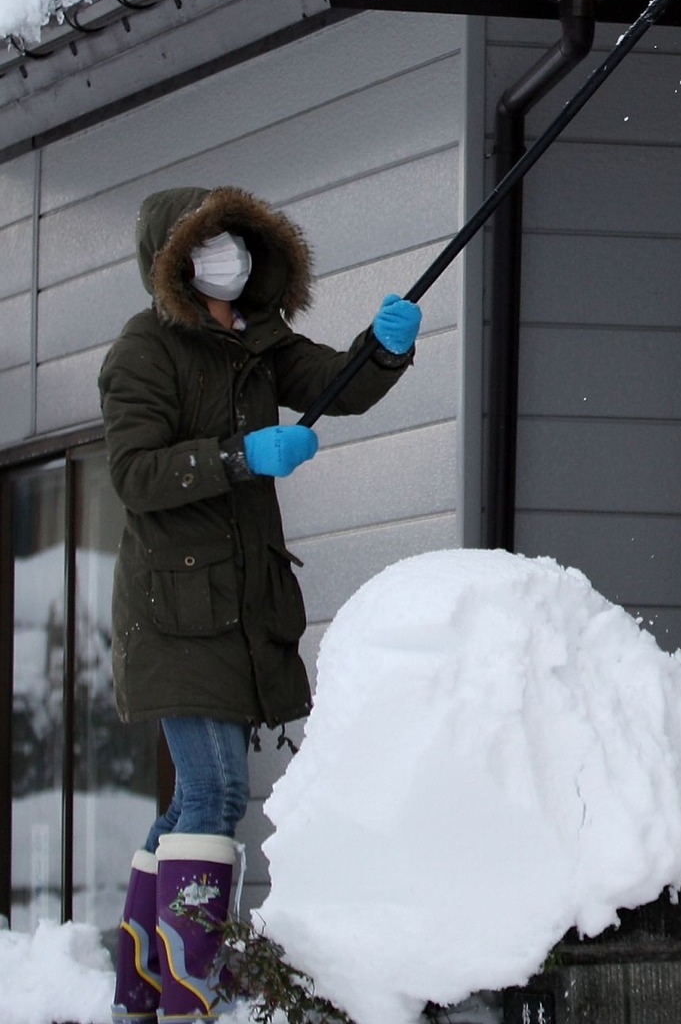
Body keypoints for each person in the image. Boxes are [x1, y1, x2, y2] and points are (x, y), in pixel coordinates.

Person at [99, 185, 422, 1023]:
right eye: (210, 244)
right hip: (174, 611)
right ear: (173, 260)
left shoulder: (258, 338)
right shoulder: (144, 351)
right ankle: (191, 993)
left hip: (240, 609)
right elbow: (135, 474)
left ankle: (143, 981)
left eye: (237, 242)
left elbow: (332, 382)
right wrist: (242, 455)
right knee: (212, 795)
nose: (229, 257)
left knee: (187, 803)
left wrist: (381, 351)